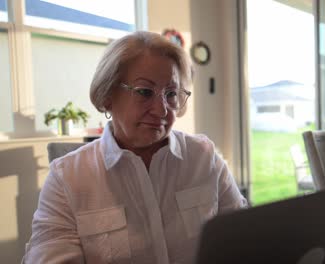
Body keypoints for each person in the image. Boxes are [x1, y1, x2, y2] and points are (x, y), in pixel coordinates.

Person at [23, 31, 247, 264]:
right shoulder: (67, 178)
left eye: (171, 94)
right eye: (144, 92)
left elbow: (243, 237)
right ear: (108, 95)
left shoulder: (204, 158)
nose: (162, 110)